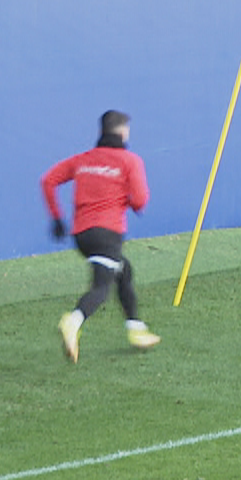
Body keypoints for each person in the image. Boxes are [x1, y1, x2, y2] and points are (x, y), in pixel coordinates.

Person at [41, 110, 157, 362]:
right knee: (101, 287)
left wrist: (56, 218)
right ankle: (73, 321)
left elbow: (48, 180)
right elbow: (140, 201)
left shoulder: (84, 159)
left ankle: (136, 329)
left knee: (123, 271)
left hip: (82, 235)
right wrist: (125, 200)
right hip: (108, 233)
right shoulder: (130, 160)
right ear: (124, 132)